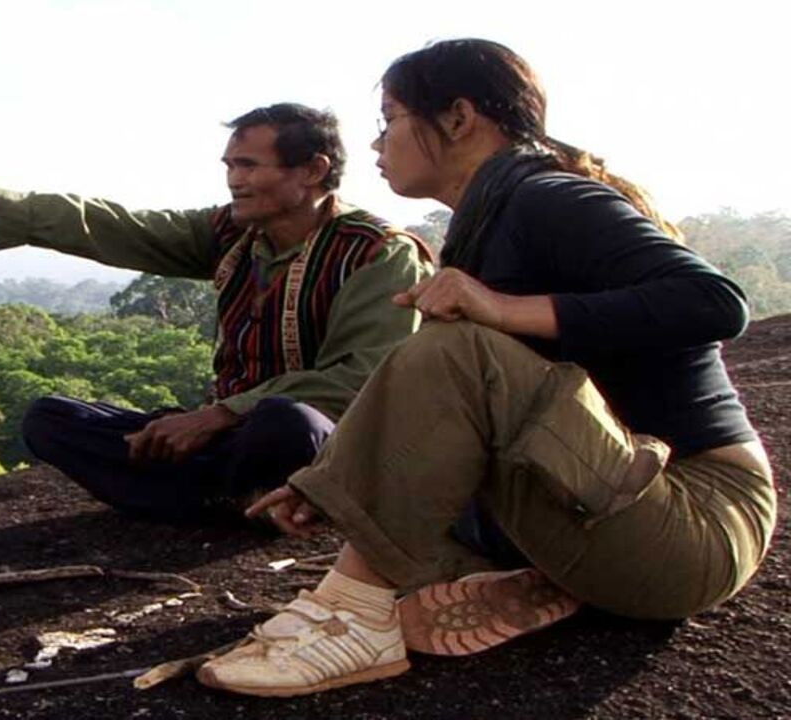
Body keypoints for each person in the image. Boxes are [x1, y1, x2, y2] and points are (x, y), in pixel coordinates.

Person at [196, 39, 777, 697]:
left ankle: (355, 619)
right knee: (422, 472)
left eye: (390, 119)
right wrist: (337, 482)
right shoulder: (488, 221)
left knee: (458, 348)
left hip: (697, 521)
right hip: (602, 504)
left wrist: (502, 309)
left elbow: (714, 301)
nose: (379, 143)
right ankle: (535, 582)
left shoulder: (548, 197)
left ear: (459, 117)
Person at [0, 103, 431, 522]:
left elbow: (364, 378)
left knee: (287, 422)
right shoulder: (231, 232)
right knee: (49, 418)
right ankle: (231, 502)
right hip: (231, 443)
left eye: (250, 165)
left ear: (312, 170)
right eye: (230, 165)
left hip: (326, 446)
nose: (234, 180)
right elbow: (113, 225)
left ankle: (228, 498)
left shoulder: (378, 251)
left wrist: (217, 415)